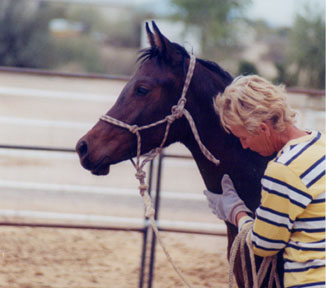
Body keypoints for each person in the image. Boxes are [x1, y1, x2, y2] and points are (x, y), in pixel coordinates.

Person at [204, 75, 325, 288]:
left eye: (243, 137)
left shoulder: (283, 169)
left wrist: (235, 212)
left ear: (263, 129)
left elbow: (265, 244)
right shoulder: (320, 143)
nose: (244, 146)